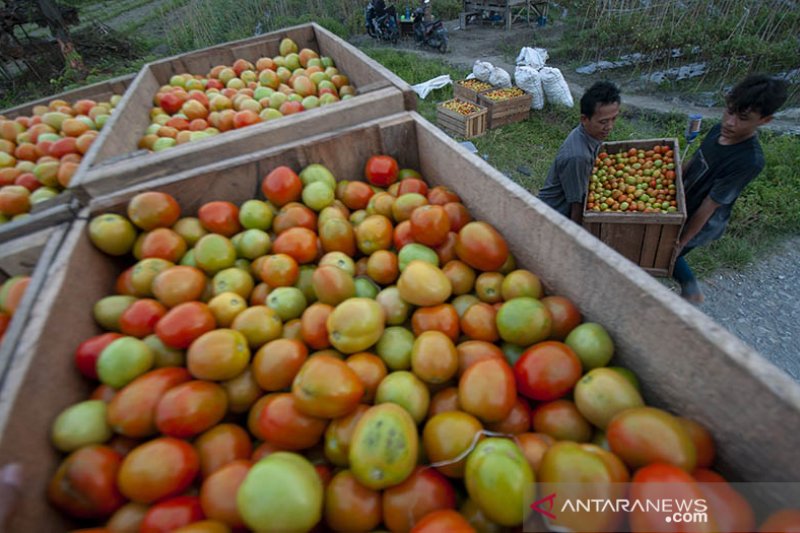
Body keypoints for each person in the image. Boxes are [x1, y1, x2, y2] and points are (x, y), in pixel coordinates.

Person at [673, 74, 788, 303]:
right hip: (686, 201)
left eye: (743, 118)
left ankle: (690, 289)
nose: (730, 122)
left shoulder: (749, 160)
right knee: (666, 251)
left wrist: (682, 241)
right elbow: (696, 159)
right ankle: (689, 284)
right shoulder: (719, 130)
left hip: (702, 220)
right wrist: (671, 179)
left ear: (765, 120)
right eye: (729, 111)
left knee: (670, 253)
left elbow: (710, 206)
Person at [538, 81, 621, 222]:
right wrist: (577, 233)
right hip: (555, 216)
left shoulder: (589, 134)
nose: (610, 126)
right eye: (603, 122)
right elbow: (577, 205)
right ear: (584, 119)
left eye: (613, 119)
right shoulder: (578, 157)